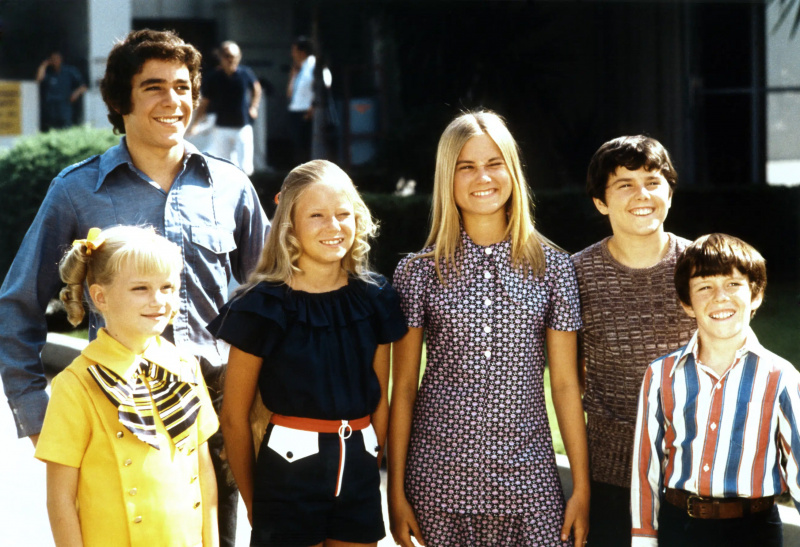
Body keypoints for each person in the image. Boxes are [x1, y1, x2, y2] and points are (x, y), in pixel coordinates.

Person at [0, 29, 268, 547]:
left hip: (213, 407)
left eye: (184, 87)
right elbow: (17, 304)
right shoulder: (76, 191)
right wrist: (36, 414)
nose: (175, 101)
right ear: (122, 99)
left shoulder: (230, 185)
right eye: (154, 87)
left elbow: (280, 296)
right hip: (114, 407)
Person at [389, 110, 589, 546]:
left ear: (512, 171)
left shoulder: (554, 268)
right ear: (449, 176)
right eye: (467, 166)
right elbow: (402, 388)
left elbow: (566, 386)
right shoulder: (417, 272)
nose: (483, 176)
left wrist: (582, 488)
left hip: (529, 479)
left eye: (494, 163)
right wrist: (395, 490)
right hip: (437, 479)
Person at [207, 159, 407, 546]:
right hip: (286, 475)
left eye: (343, 214)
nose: (333, 227)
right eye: (317, 215)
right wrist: (254, 501)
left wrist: (369, 464)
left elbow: (380, 396)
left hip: (358, 470)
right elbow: (233, 417)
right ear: (290, 225)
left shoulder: (376, 297)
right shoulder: (261, 306)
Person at [35, 225, 220, 546]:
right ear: (100, 296)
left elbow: (203, 473)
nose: (158, 300)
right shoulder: (76, 385)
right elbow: (60, 498)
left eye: (167, 287)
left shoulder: (185, 367)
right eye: (141, 289)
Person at [631, 233, 800, 547]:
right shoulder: (661, 374)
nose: (720, 297)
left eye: (733, 284)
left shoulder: (780, 376)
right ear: (687, 304)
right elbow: (646, 467)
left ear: (756, 295)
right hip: (680, 527)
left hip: (755, 531)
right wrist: (644, 539)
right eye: (704, 287)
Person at [570, 135, 696, 546]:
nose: (642, 194)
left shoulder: (702, 266)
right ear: (600, 202)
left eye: (653, 181)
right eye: (624, 184)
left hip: (693, 473)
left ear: (670, 193)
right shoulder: (576, 275)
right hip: (611, 475)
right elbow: (569, 380)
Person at [190, 41, 262, 175]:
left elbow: (256, 89)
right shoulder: (214, 77)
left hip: (242, 126)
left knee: (246, 168)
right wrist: (195, 123)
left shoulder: (245, 73)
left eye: (234, 56)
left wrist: (254, 106)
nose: (231, 59)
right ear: (221, 57)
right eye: (227, 56)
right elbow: (205, 102)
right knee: (223, 165)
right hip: (221, 127)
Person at [36, 50, 88, 130]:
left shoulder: (70, 71)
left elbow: (83, 86)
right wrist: (44, 64)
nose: (55, 61)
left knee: (66, 128)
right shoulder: (49, 72)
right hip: (51, 107)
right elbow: (39, 79)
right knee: (52, 129)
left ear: (61, 59)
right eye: (52, 59)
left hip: (65, 105)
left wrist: (76, 93)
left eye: (57, 58)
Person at [287, 36, 315, 164]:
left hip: (307, 111)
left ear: (302, 52)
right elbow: (290, 93)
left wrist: (313, 107)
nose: (292, 54)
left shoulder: (313, 65)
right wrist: (293, 76)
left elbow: (321, 86)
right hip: (296, 110)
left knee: (306, 145)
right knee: (297, 145)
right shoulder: (299, 68)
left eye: (294, 51)